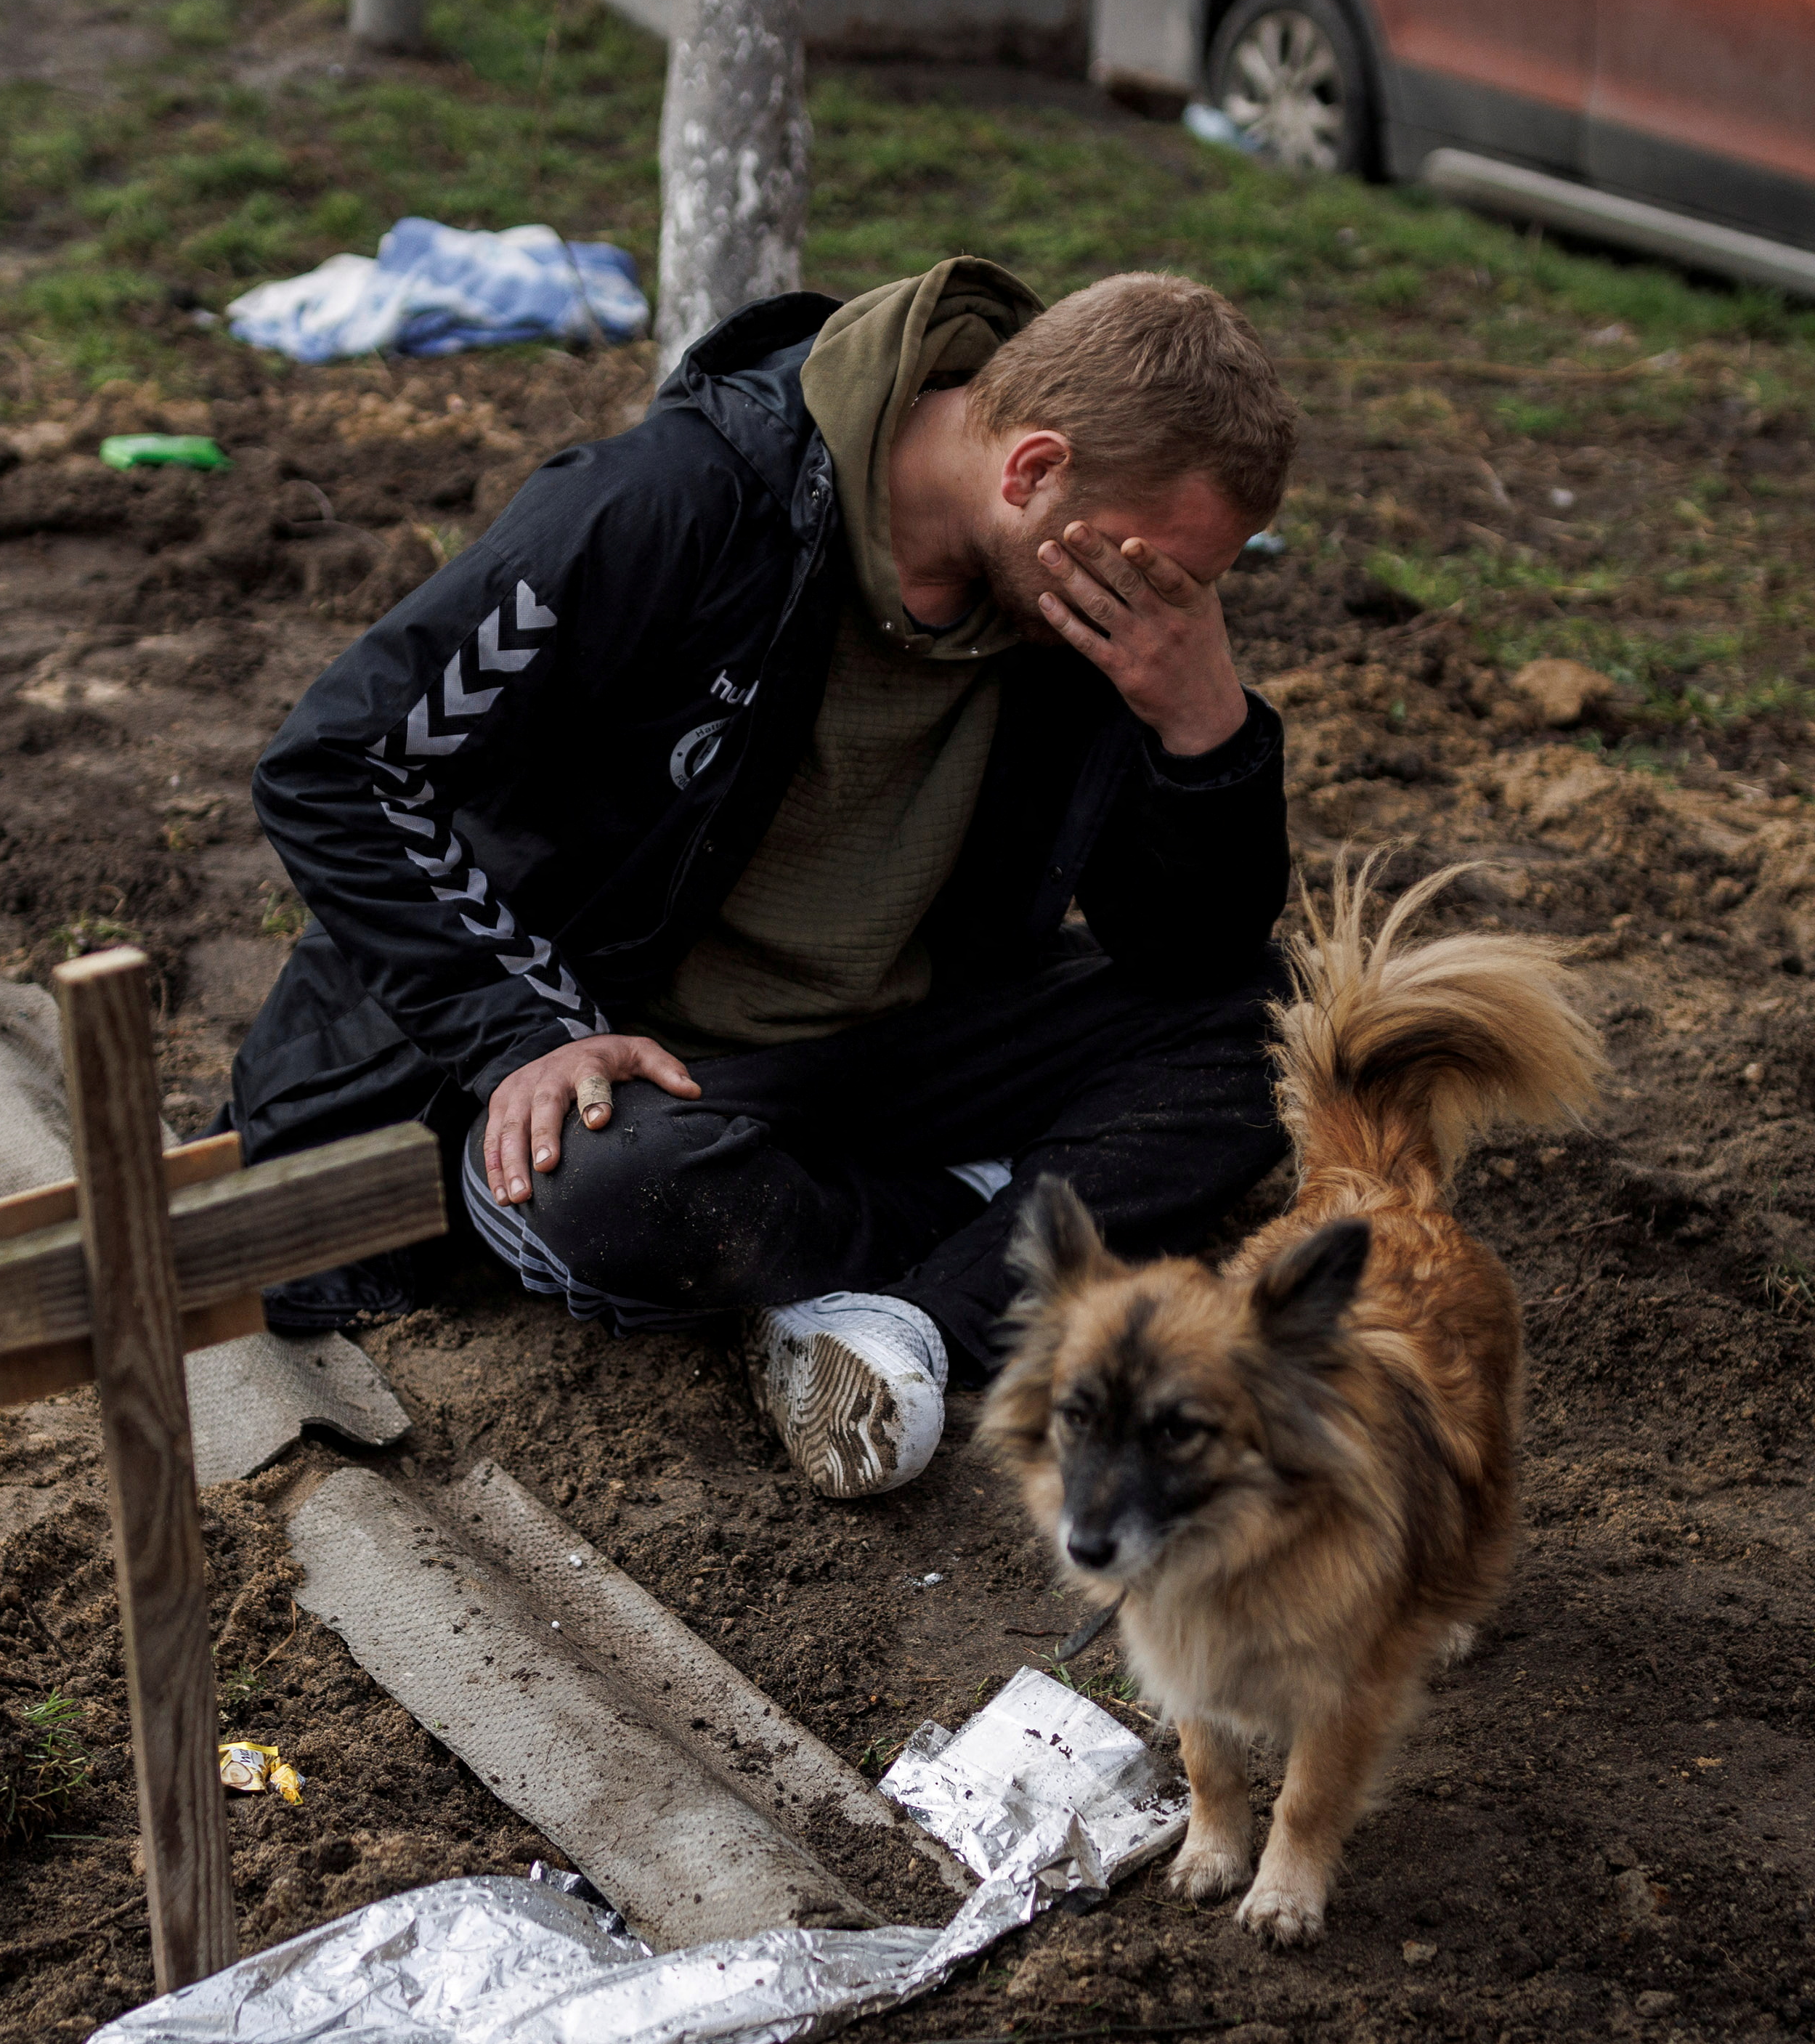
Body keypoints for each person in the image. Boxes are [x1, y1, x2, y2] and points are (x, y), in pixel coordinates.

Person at [224, 259, 1299, 1498]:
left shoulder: (1086, 608)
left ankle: (901, 1326)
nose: (1179, 604)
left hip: (899, 1049)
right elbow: (336, 765)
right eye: (1165, 567)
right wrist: (521, 1033)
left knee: (1282, 1027)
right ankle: (981, 1222)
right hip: (645, 1069)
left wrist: (1206, 731)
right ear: (1030, 470)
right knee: (613, 1193)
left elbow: (1188, 955)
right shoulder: (680, 505)